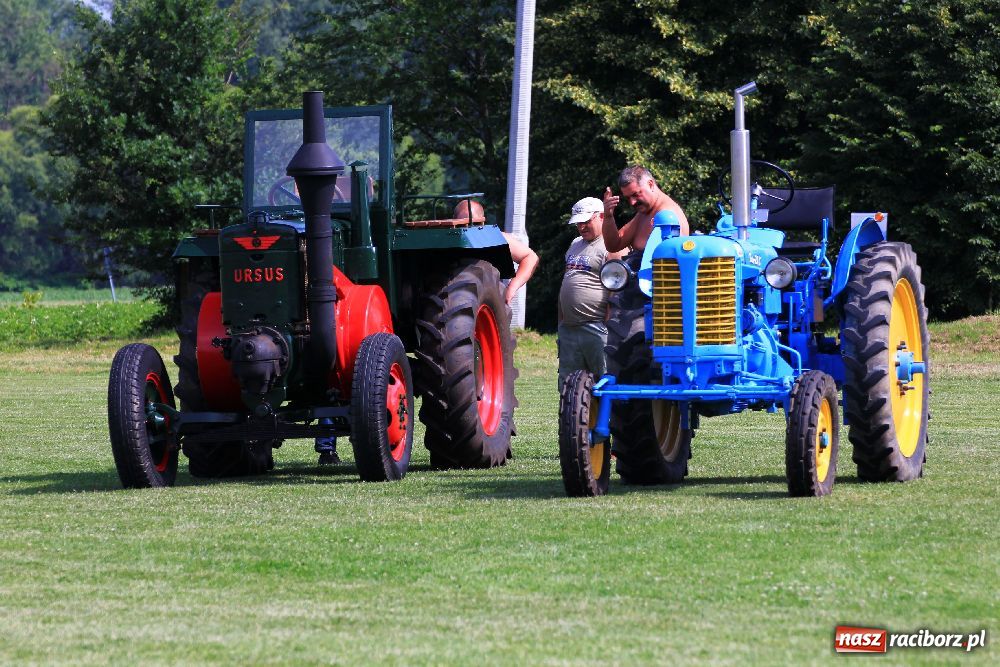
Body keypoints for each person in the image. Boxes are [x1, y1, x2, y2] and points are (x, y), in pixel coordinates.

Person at [557, 197, 622, 389]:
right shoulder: (575, 243)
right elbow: (567, 281)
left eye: (586, 221)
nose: (581, 227)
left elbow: (616, 291)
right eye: (578, 223)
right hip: (569, 328)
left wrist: (607, 326)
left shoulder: (612, 246)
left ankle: (607, 412)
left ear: (601, 216)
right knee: (569, 384)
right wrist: (561, 321)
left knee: (604, 382)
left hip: (597, 327)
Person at [453, 199, 539, 304]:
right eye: (463, 224)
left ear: (482, 222)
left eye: (474, 224)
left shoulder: (493, 238)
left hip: (489, 304)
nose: (469, 229)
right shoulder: (445, 240)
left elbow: (530, 257)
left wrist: (511, 289)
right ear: (454, 222)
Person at [601, 165, 689, 253]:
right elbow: (614, 245)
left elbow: (670, 257)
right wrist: (608, 216)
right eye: (628, 198)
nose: (632, 202)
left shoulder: (668, 215)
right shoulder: (644, 213)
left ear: (650, 185)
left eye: (636, 194)